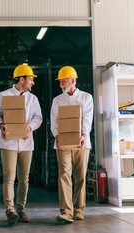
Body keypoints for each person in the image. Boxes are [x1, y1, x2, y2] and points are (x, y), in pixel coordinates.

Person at [0, 64, 43, 225]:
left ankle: (21, 209)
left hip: (26, 143)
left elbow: (38, 118)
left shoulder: (33, 99)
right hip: (8, 142)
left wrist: (29, 127)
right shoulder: (3, 95)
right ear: (22, 79)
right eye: (31, 79)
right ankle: (9, 211)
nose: (33, 82)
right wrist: (1, 125)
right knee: (9, 177)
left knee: (24, 178)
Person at [50, 66, 94, 223]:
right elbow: (54, 121)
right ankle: (66, 211)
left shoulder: (86, 98)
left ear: (73, 80)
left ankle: (78, 209)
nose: (61, 83)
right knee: (64, 175)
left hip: (82, 142)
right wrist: (56, 136)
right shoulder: (57, 100)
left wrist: (83, 135)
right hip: (62, 144)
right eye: (60, 81)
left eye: (63, 80)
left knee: (80, 175)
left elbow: (87, 118)